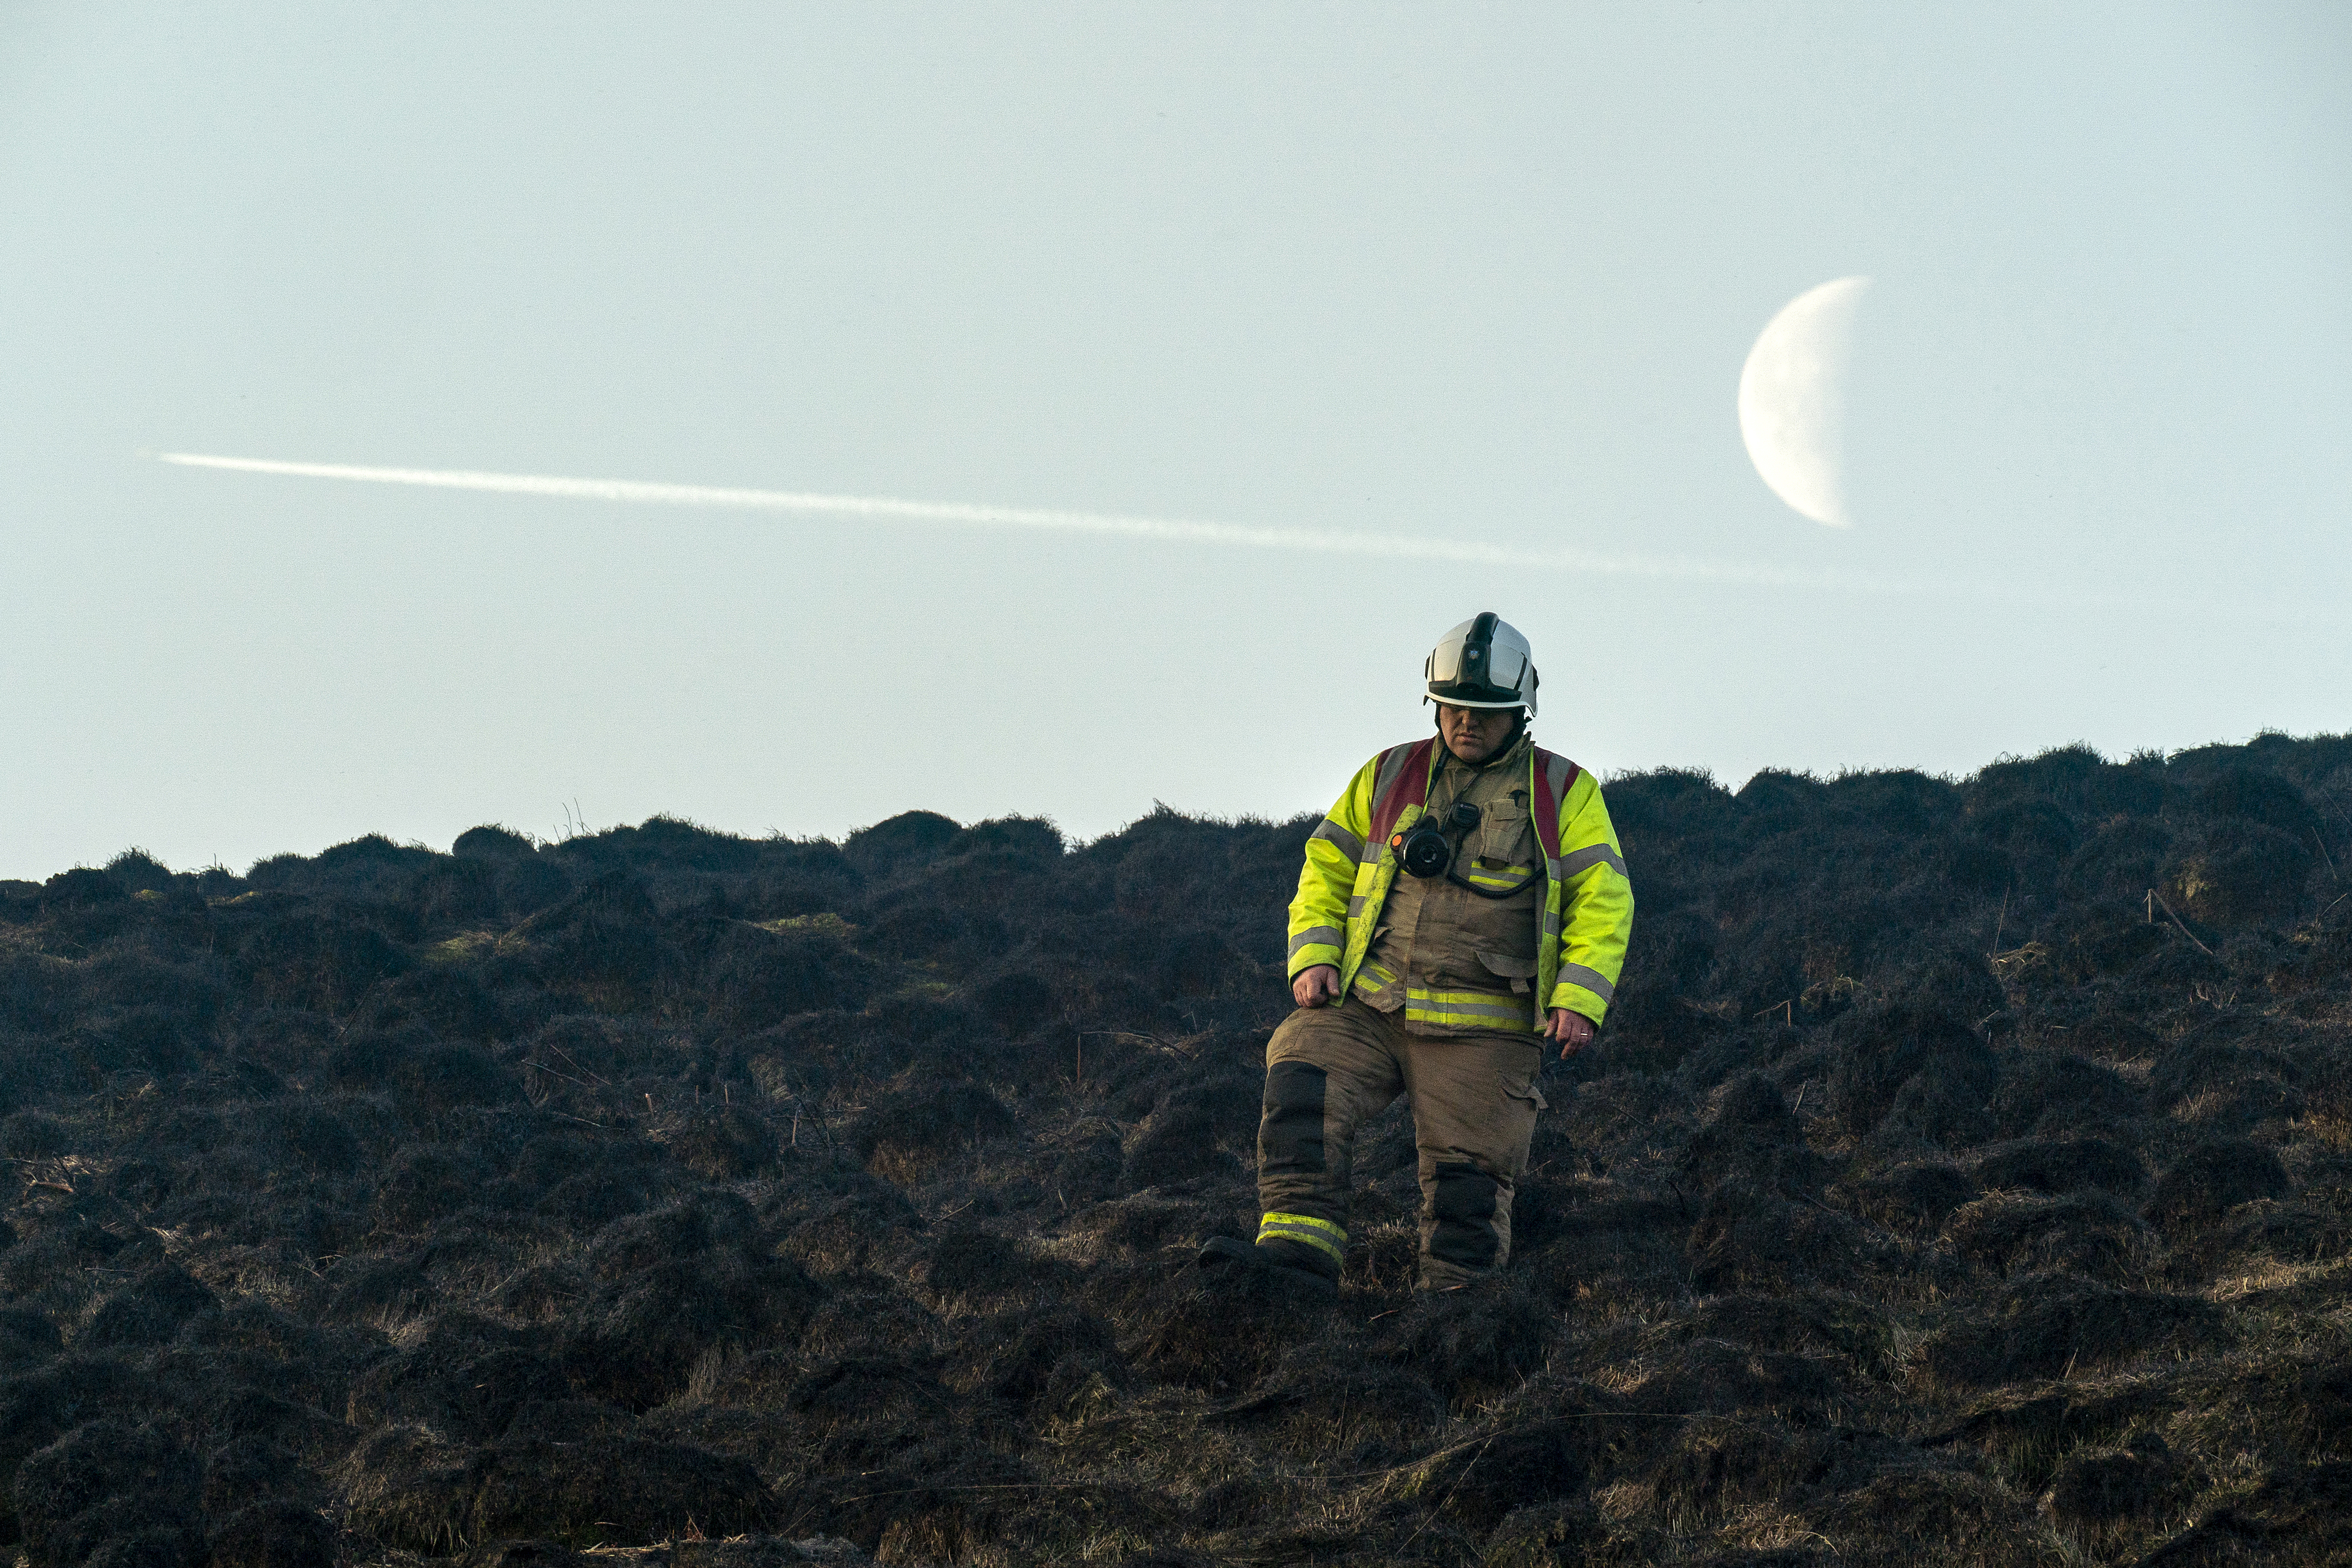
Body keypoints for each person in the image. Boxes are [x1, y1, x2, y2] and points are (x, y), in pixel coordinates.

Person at [1200, 613, 1634, 1295]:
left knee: (1470, 1194)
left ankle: (1452, 1323)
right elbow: (1327, 865)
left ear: (1522, 713)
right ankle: (1296, 1259)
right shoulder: (1390, 772)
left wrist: (1579, 1000)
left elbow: (1603, 899)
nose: (1466, 724)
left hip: (1485, 1030)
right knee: (1300, 1076)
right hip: (1369, 1005)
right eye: (1453, 708)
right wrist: (1313, 956)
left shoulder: (1564, 791)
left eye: (1485, 713)